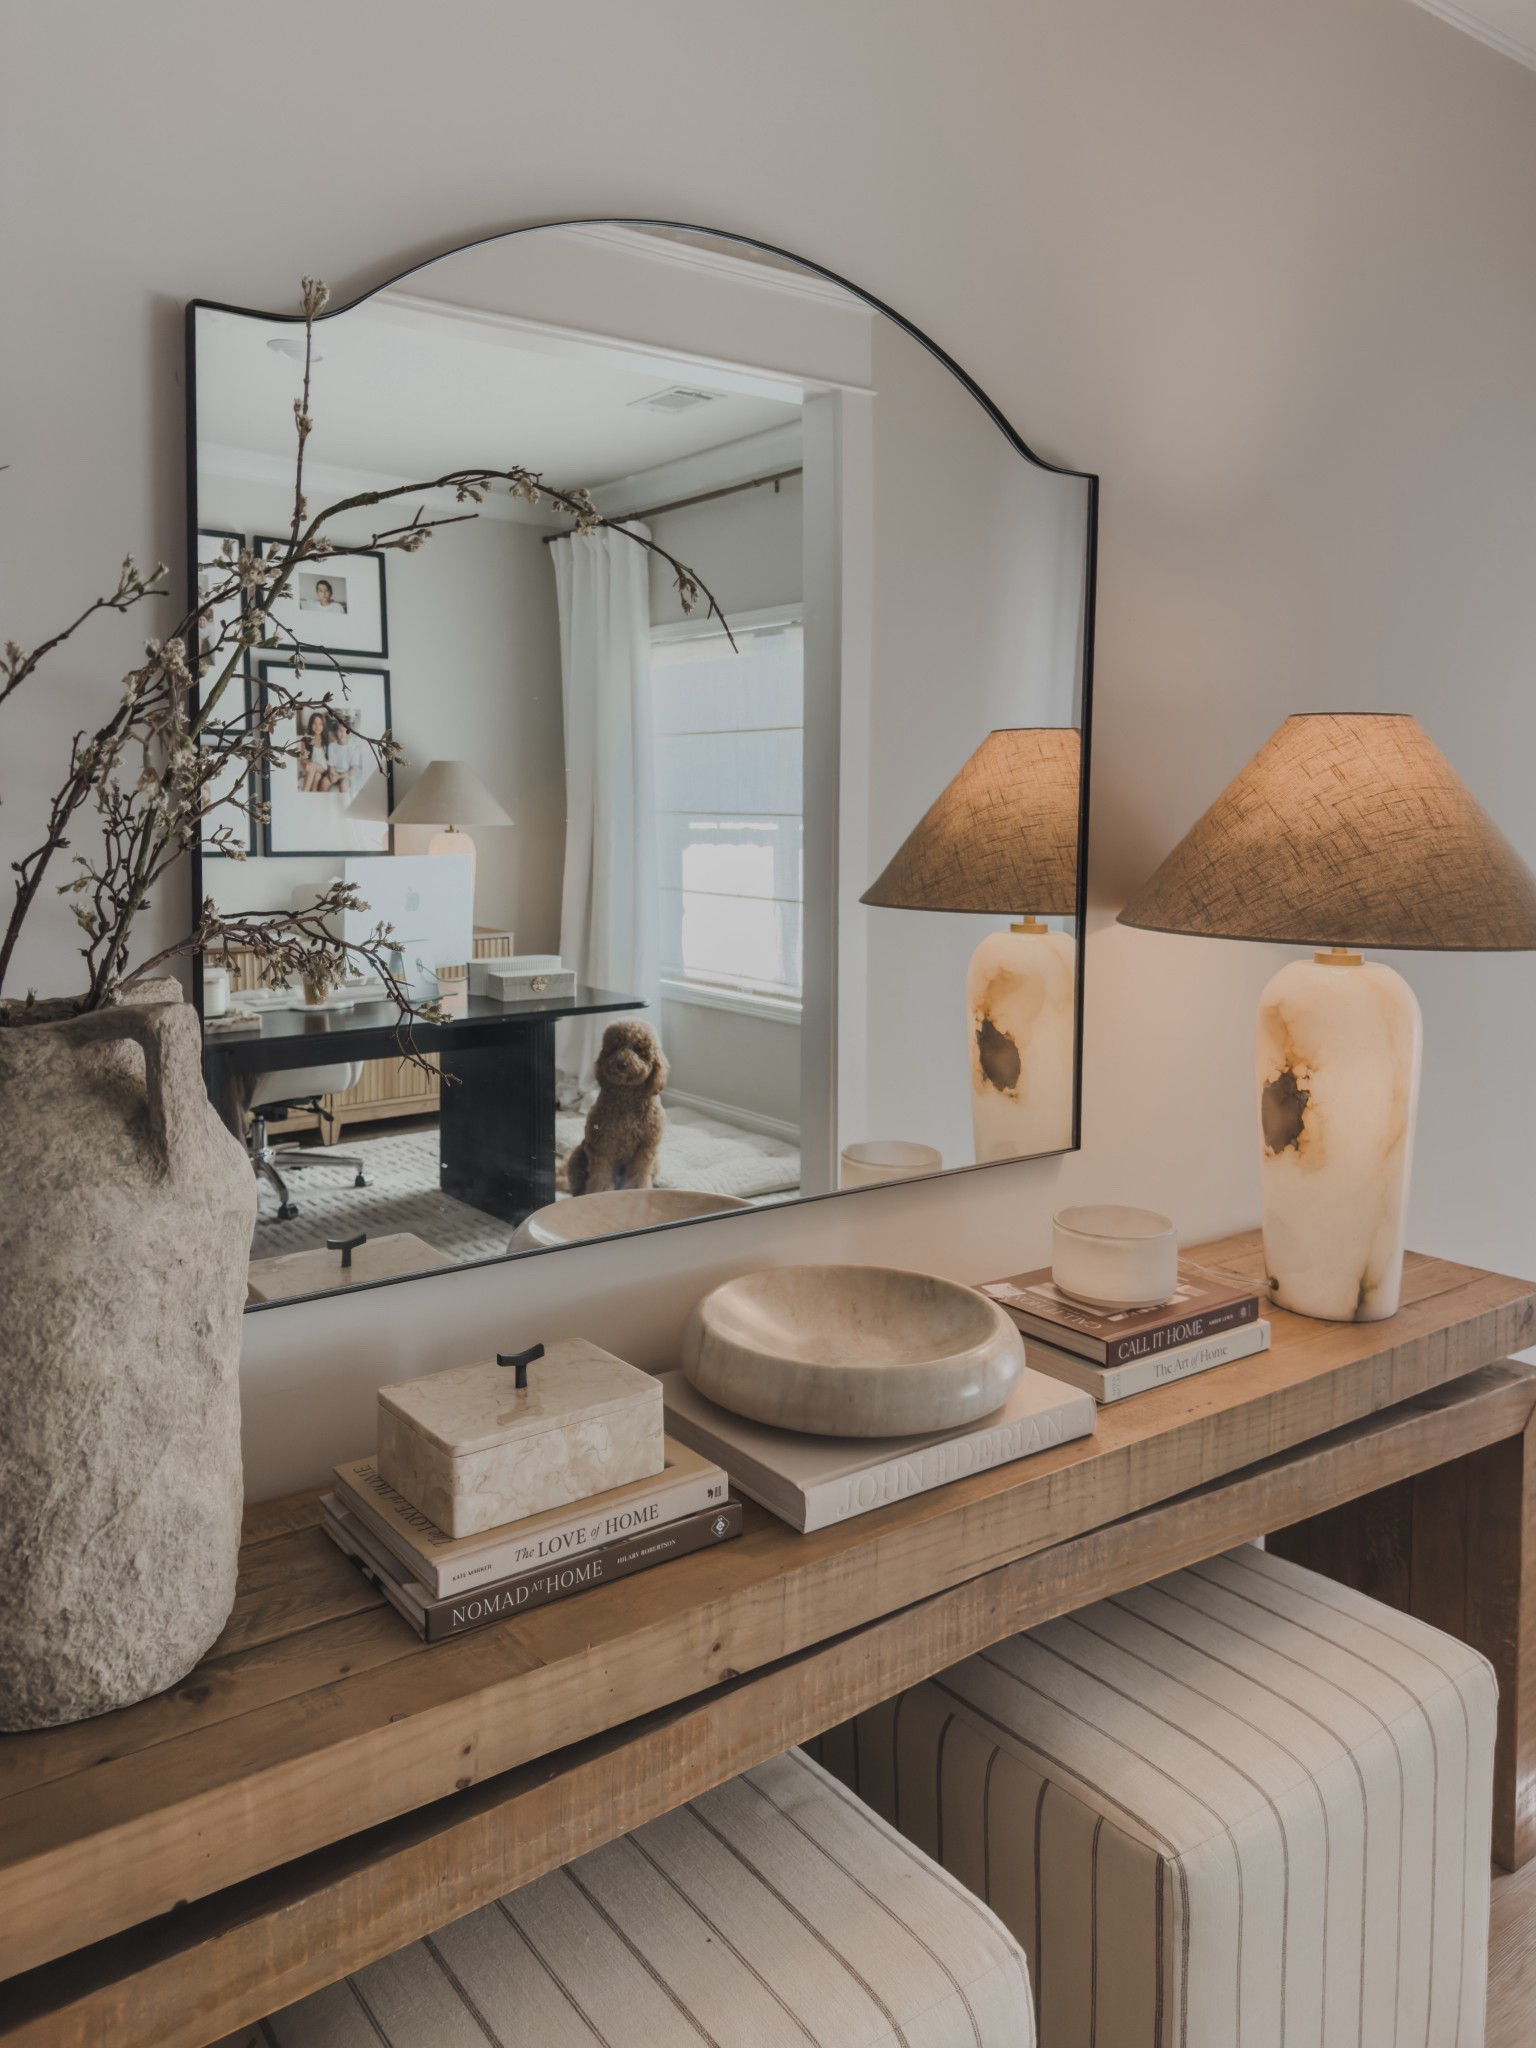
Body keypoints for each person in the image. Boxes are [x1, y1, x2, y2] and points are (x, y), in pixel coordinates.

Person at [325, 714, 368, 795]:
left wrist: (339, 777)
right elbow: (331, 766)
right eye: (340, 730)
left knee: (344, 785)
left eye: (346, 731)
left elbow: (353, 770)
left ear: (351, 733)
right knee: (325, 782)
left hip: (347, 775)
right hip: (335, 773)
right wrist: (332, 774)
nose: (343, 734)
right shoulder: (332, 746)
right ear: (336, 731)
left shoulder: (354, 748)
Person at [298, 710, 331, 791]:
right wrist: (307, 764)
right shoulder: (305, 740)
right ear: (310, 724)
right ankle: (312, 796)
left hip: (324, 767)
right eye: (315, 723)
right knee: (317, 776)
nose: (317, 727)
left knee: (312, 767)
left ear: (324, 726)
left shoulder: (327, 739)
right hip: (313, 768)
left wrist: (310, 765)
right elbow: (303, 759)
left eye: (320, 724)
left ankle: (305, 792)